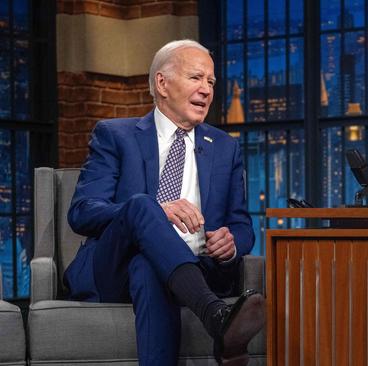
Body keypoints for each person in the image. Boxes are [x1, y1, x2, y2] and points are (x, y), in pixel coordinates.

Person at [63, 39, 264, 366]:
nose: (206, 90)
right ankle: (215, 313)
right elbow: (83, 212)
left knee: (149, 267)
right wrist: (156, 211)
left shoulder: (225, 148)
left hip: (196, 266)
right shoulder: (116, 135)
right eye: (196, 78)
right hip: (116, 267)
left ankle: (214, 315)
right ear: (162, 83)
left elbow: (242, 226)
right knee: (143, 206)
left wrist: (232, 241)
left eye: (211, 82)